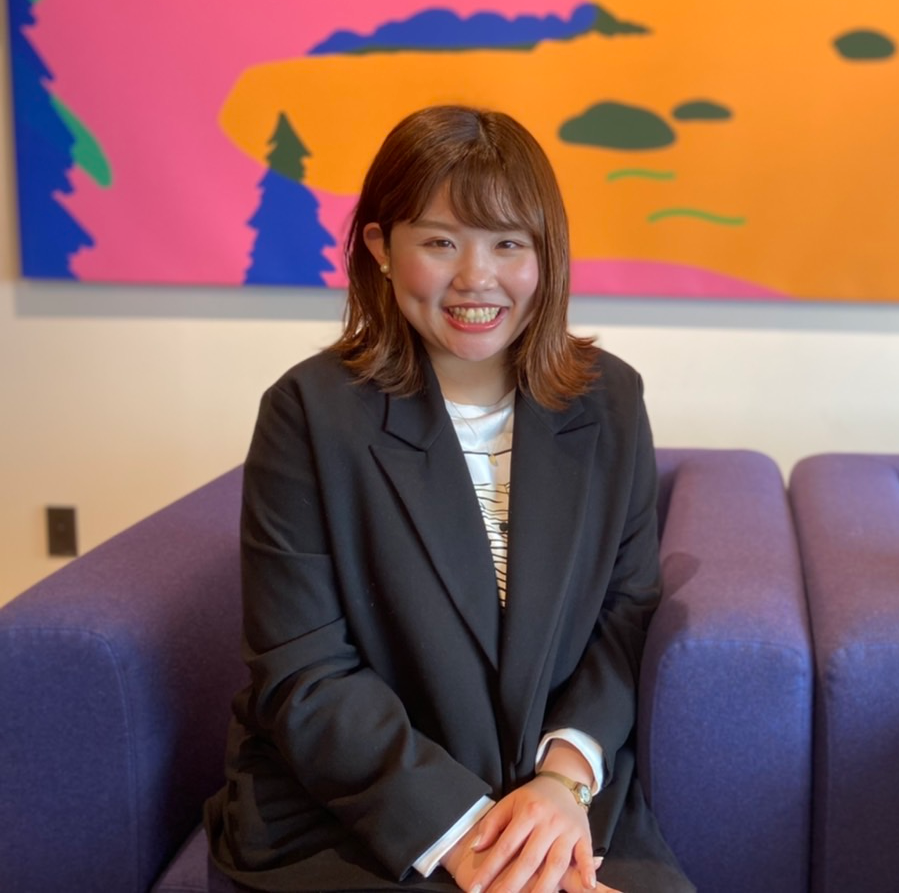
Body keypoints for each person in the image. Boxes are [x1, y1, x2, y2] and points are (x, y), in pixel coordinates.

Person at [205, 105, 693, 893]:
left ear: (546, 254)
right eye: (439, 242)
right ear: (380, 248)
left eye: (508, 243)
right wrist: (469, 836)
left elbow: (626, 611)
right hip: (363, 806)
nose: (476, 277)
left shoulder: (609, 401)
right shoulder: (309, 414)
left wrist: (563, 780)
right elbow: (304, 672)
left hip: (556, 793)